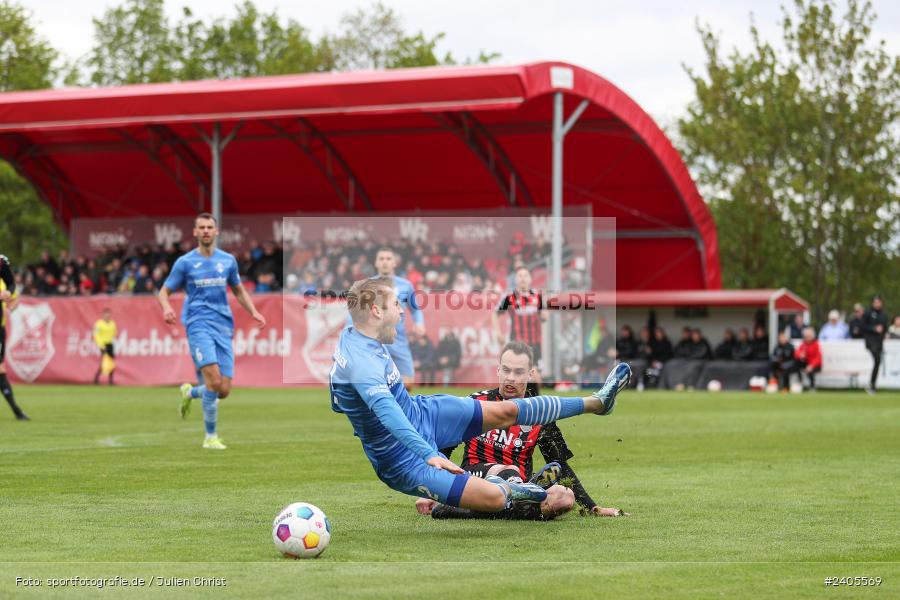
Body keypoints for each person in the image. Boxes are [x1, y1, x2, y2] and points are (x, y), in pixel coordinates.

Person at [330, 277, 632, 514]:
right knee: (493, 498)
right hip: (403, 458)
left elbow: (338, 402)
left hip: (425, 413)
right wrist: (430, 453)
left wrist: (348, 402)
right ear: (376, 310)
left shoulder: (356, 333)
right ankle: (523, 492)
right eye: (397, 304)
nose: (401, 311)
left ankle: (597, 402)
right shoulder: (362, 363)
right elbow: (387, 413)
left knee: (505, 410)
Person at [418, 341, 627, 520]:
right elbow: (443, 450)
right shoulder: (475, 403)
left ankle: (468, 510)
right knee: (507, 471)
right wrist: (431, 489)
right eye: (506, 370)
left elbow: (561, 466)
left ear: (531, 374)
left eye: (518, 372)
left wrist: (593, 507)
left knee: (565, 497)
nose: (510, 378)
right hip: (474, 478)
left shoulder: (541, 414)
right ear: (498, 370)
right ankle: (511, 499)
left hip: (519, 487)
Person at [158, 213, 266, 450]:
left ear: (216, 232)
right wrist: (166, 308)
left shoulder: (227, 261)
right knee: (214, 381)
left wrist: (254, 312)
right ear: (195, 232)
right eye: (201, 227)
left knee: (224, 390)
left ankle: (190, 392)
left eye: (210, 227)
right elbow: (163, 291)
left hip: (223, 325)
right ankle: (210, 436)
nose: (206, 231)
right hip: (198, 324)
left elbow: (238, 290)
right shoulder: (185, 262)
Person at [370, 247, 425, 389]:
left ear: (394, 263)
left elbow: (415, 309)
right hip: (376, 341)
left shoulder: (406, 285)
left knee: (408, 384)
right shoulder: (368, 286)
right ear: (376, 263)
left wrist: (419, 323)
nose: (385, 262)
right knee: (376, 383)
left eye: (388, 259)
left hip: (399, 339)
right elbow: (357, 313)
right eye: (381, 259)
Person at [492, 266, 545, 386]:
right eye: (520, 276)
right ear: (515, 279)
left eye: (525, 275)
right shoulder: (509, 297)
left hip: (536, 343)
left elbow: (543, 316)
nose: (523, 278)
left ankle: (525, 401)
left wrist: (544, 316)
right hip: (518, 343)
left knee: (534, 377)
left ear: (530, 279)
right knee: (530, 376)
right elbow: (495, 313)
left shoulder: (538, 297)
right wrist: (498, 332)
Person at [0, 255, 28, 420]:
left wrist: (10, 301)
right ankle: (17, 411)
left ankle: (17, 411)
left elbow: (14, 303)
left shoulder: (5, 284)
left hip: (0, 329)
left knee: (1, 369)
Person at [862, 295, 888, 394]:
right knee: (877, 359)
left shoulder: (884, 314)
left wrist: (885, 333)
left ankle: (872, 384)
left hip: (879, 342)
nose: (877, 304)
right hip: (870, 341)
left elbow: (885, 327)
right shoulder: (868, 313)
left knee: (877, 362)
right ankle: (872, 384)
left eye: (879, 302)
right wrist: (873, 328)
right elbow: (862, 326)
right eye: (875, 302)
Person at [92, 307, 118, 385]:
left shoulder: (112, 323)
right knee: (104, 363)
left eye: (109, 314)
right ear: (103, 315)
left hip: (110, 344)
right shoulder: (99, 324)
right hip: (103, 345)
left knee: (112, 363)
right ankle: (96, 379)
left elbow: (115, 333)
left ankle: (111, 380)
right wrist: (100, 345)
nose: (107, 316)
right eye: (106, 314)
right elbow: (96, 335)